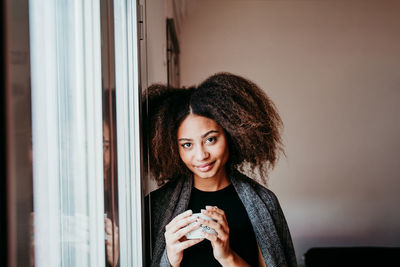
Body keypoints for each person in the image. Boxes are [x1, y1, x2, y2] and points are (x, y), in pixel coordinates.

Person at [144, 73, 297, 267]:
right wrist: (170, 260)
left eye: (210, 139)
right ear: (173, 148)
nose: (201, 156)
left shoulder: (263, 203)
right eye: (187, 145)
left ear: (232, 134)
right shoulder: (155, 206)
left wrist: (227, 256)